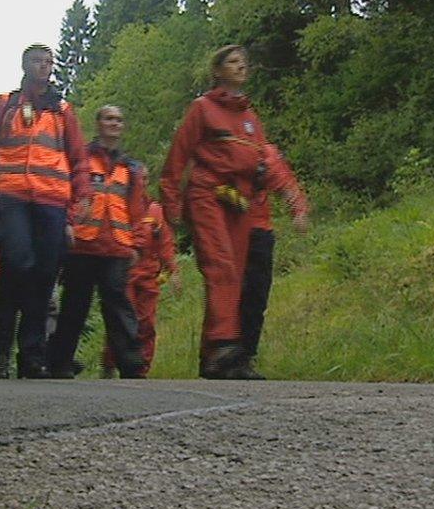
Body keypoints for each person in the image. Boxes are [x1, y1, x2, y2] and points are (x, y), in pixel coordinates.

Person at [160, 44, 296, 379]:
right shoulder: (202, 109)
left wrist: (290, 196)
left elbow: (265, 159)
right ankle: (225, 345)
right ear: (218, 70)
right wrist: (171, 205)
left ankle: (216, 359)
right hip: (207, 196)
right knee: (221, 267)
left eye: (244, 63)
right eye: (233, 62)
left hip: (240, 203)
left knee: (234, 275)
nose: (241, 67)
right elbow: (177, 158)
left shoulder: (250, 118)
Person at [0, 44, 92, 379]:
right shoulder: (3, 106)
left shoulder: (63, 112)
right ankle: (1, 353)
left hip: (52, 203)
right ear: (24, 65)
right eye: (37, 61)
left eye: (48, 62)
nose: (43, 67)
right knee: (16, 267)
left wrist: (82, 200)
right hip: (11, 199)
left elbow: (80, 160)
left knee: (44, 275)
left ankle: (31, 358)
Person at [47, 105, 148, 379]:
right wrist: (66, 226)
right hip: (82, 244)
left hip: (116, 246)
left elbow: (137, 209)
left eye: (119, 119)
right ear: (98, 123)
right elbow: (67, 195)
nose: (114, 123)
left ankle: (131, 366)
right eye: (109, 118)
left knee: (118, 304)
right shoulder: (81, 160)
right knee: (74, 305)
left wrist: (137, 245)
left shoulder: (130, 168)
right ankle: (60, 364)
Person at [237, 145, 308, 379]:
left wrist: (298, 211)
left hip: (257, 231)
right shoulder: (217, 149)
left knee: (255, 296)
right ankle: (219, 355)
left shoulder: (263, 152)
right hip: (226, 232)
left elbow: (283, 182)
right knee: (226, 296)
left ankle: (244, 356)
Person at [101, 199, 178, 378]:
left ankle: (141, 369)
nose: (142, 181)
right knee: (122, 320)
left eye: (144, 178)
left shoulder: (154, 211)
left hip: (148, 277)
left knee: (147, 323)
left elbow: (165, 242)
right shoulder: (120, 205)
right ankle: (110, 363)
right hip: (126, 273)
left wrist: (172, 270)